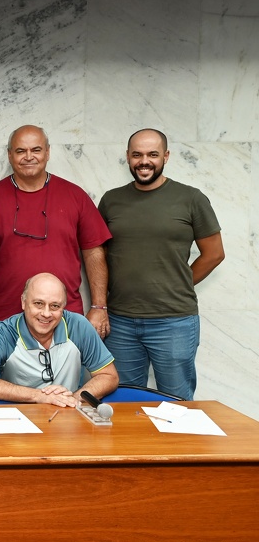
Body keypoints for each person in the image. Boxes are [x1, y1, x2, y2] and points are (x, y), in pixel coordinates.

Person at [98, 128, 224, 400]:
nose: (145, 161)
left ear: (166, 156)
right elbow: (98, 256)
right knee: (123, 400)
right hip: (120, 323)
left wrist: (177, 283)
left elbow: (214, 253)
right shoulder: (111, 200)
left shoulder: (191, 198)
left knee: (176, 402)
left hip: (174, 321)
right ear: (128, 158)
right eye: (137, 155)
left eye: (153, 154)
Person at [0, 124, 112, 339]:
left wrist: (99, 307)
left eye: (36, 150)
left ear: (47, 152)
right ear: (10, 155)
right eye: (20, 151)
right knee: (0, 375)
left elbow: (94, 251)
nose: (29, 157)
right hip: (1, 321)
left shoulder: (75, 195)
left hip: (63, 320)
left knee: (64, 374)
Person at [0, 273, 119, 406]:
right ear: (23, 302)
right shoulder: (4, 332)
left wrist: (73, 399)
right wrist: (39, 396)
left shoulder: (78, 326)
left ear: (63, 307)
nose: (46, 314)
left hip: (67, 417)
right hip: (18, 417)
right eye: (38, 304)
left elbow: (108, 376)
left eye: (54, 306)